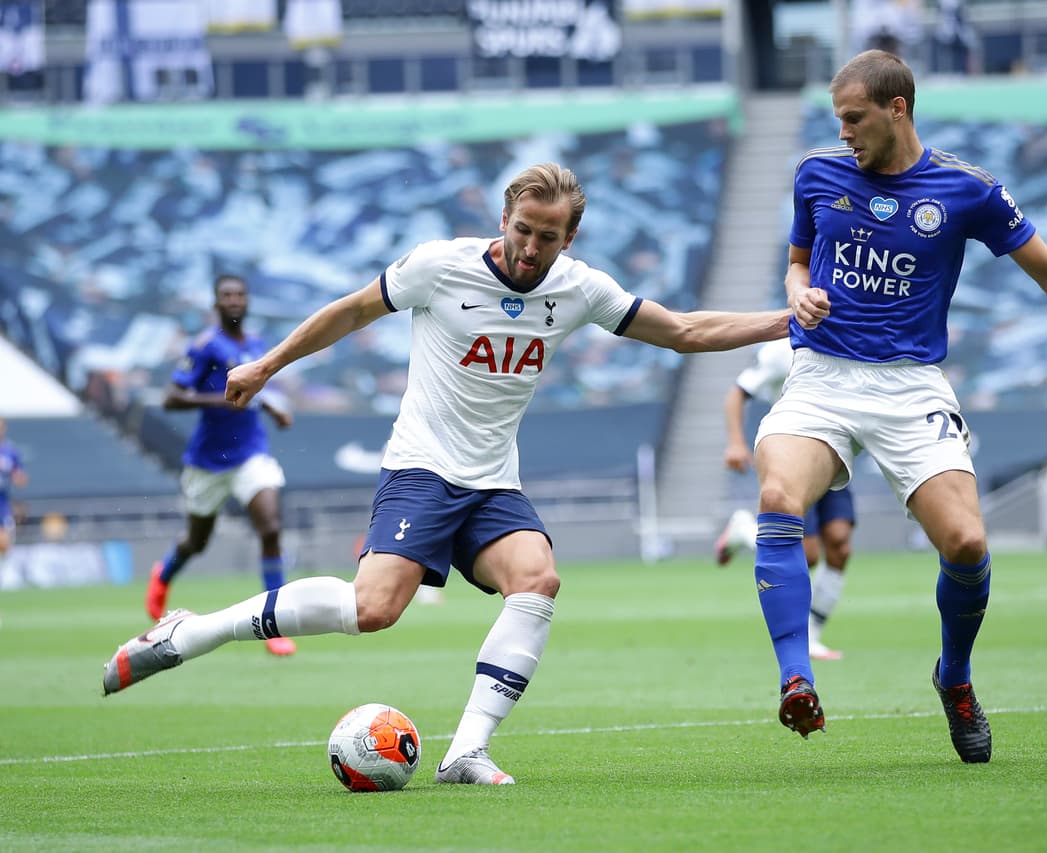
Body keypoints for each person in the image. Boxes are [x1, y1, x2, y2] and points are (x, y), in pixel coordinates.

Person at [102, 162, 792, 785]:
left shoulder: (580, 289)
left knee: (538, 577)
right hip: (423, 467)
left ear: (569, 238)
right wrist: (267, 364)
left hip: (494, 479)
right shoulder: (439, 267)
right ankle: (193, 632)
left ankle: (465, 750)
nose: (531, 247)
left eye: (548, 237)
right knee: (372, 610)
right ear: (503, 219)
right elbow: (351, 310)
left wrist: (787, 322)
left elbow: (686, 331)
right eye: (524, 229)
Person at [754, 50, 1047, 761]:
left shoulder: (967, 189)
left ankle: (954, 677)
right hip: (823, 374)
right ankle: (796, 676)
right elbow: (799, 258)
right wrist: (798, 287)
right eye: (839, 120)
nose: (845, 133)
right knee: (777, 493)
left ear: (898, 109)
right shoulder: (817, 173)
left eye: (855, 119)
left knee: (968, 543)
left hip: (910, 384)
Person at [146, 274, 297, 657]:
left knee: (271, 526)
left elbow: (256, 387)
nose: (234, 300)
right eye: (226, 295)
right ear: (216, 303)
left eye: (240, 294)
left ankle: (273, 622)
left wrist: (272, 405)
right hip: (208, 462)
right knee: (197, 542)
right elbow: (171, 398)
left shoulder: (257, 343)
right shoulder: (205, 346)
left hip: (250, 453)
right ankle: (163, 573)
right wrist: (222, 400)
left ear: (247, 301)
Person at [715, 338, 855, 660]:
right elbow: (737, 394)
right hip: (794, 454)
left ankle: (812, 636)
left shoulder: (851, 338)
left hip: (837, 451)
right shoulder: (783, 350)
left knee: (840, 543)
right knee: (806, 554)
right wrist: (735, 443)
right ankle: (744, 531)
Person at [0, 418, 28, 581]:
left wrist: (15, 474)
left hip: (2, 502)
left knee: (5, 543)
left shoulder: (10, 452)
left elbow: (21, 479)